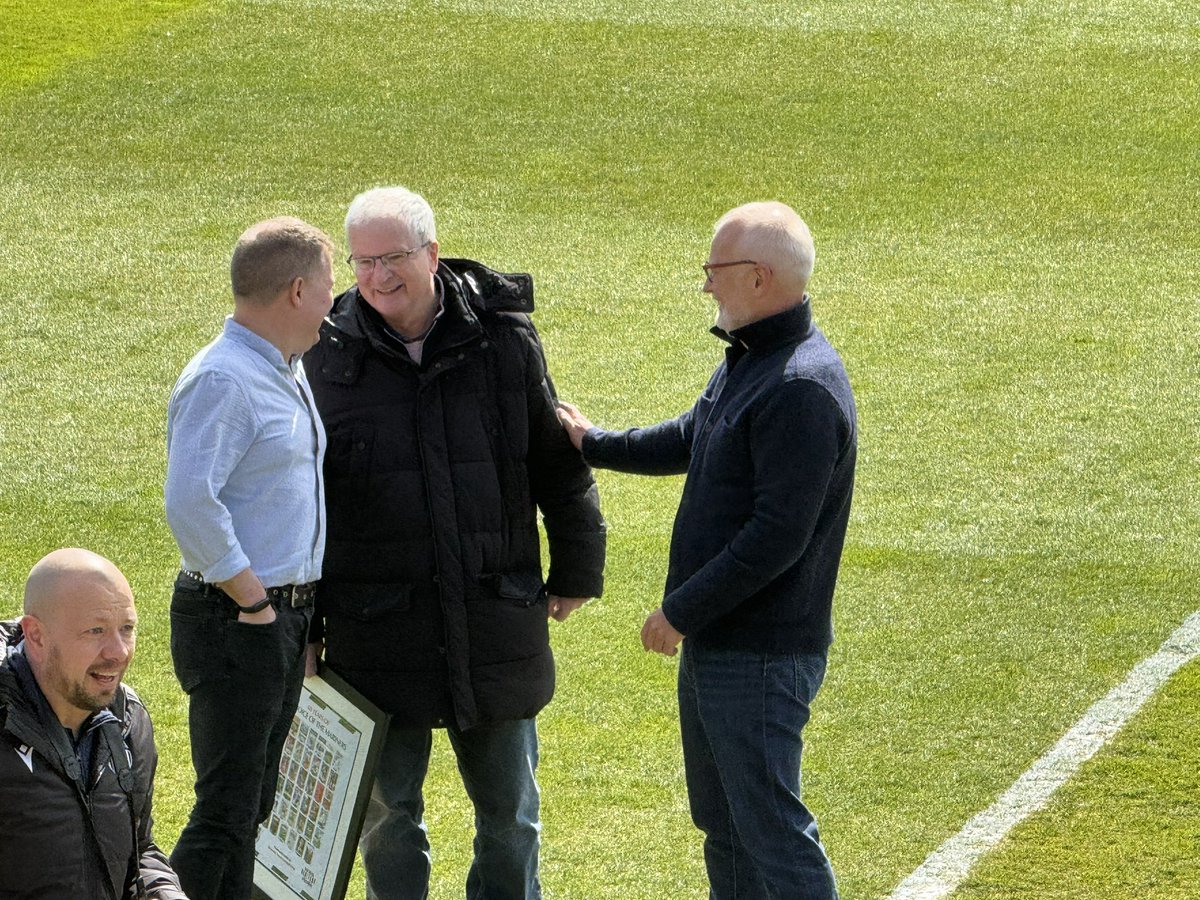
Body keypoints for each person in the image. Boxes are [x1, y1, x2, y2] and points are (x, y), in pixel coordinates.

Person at [304, 186, 606, 900]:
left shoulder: (504, 339)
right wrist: (302, 627)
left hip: (492, 616)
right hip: (376, 633)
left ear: (432, 255)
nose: (379, 276)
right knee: (387, 820)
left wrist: (576, 569)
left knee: (511, 820)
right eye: (364, 261)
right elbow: (300, 506)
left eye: (395, 258)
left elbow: (555, 459)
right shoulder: (320, 350)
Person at [557, 201, 856, 899]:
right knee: (726, 825)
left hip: (758, 653)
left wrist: (681, 613)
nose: (705, 286)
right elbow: (693, 435)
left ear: (757, 277)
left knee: (770, 831)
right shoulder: (753, 363)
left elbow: (775, 538)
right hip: (728, 649)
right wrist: (594, 443)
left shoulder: (799, 388)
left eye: (712, 271)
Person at [164, 216, 335, 900]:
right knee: (227, 812)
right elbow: (190, 504)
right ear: (297, 291)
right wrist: (256, 603)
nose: (335, 300)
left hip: (273, 619)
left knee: (250, 808)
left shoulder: (283, 369)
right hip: (237, 618)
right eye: (329, 285)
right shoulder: (225, 381)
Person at [0, 548, 188, 899]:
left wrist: (164, 892)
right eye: (95, 630)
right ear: (36, 636)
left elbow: (137, 849)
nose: (118, 652)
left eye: (127, 628)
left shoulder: (129, 722)